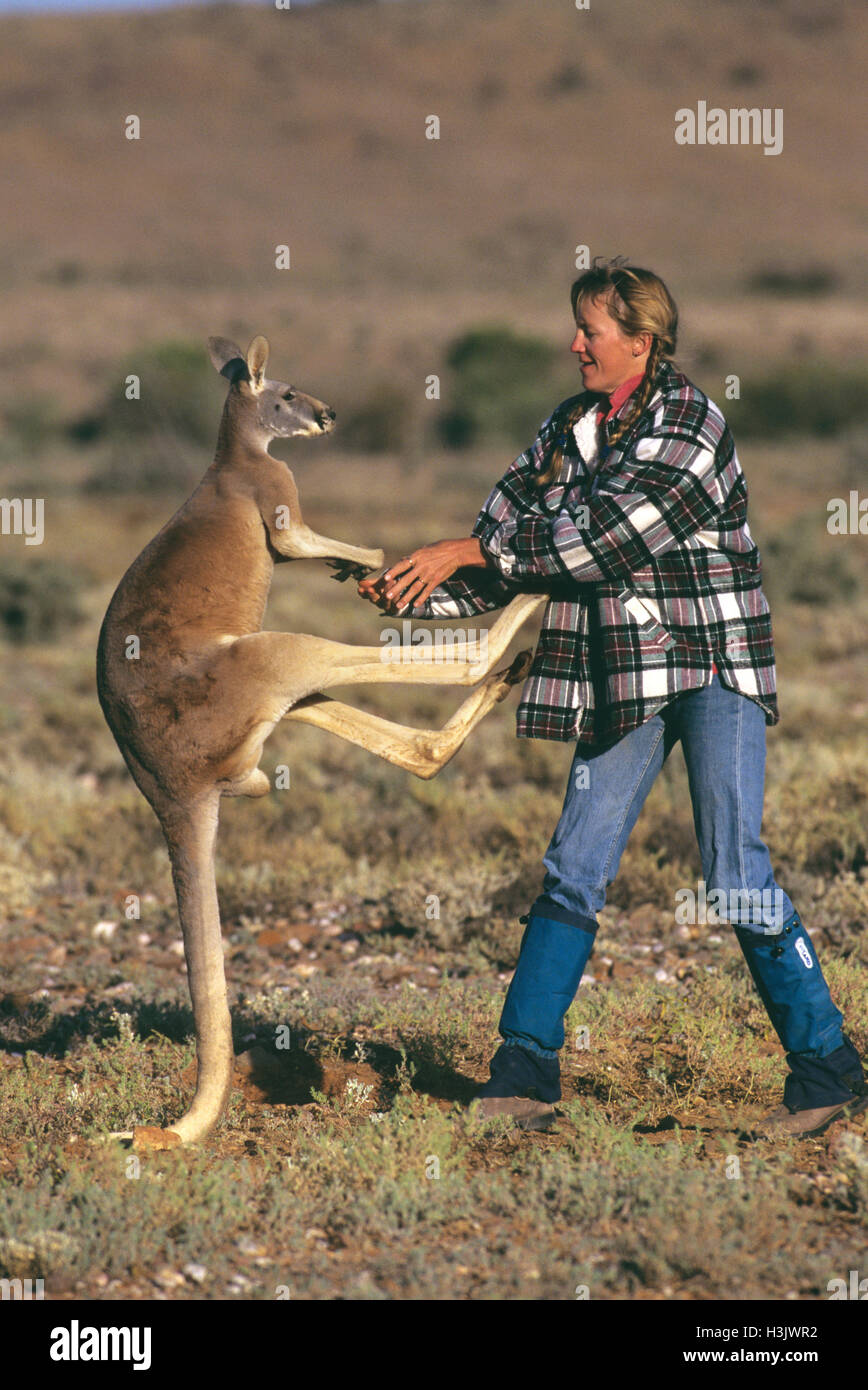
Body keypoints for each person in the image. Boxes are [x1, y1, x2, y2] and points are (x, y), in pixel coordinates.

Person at [357, 259, 866, 1138]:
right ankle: (521, 1075)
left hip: (711, 667)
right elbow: (498, 540)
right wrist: (407, 587)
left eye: (590, 330)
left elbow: (595, 546)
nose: (574, 344)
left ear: (642, 340)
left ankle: (828, 1073)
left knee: (736, 876)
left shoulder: (693, 423)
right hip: (621, 676)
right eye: (577, 328)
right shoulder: (566, 428)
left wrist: (469, 552)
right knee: (573, 868)